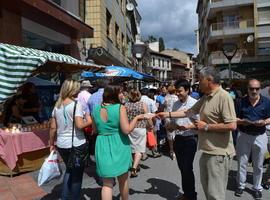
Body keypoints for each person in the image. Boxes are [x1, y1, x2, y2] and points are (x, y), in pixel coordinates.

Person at [158, 66, 237, 200]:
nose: (198, 83)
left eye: (200, 80)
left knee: (215, 195)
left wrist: (206, 126)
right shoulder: (206, 97)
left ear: (209, 80)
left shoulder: (223, 96)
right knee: (208, 191)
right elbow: (188, 112)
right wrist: (165, 113)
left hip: (219, 153)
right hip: (207, 151)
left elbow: (232, 125)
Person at [91, 85, 148, 200]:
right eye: (120, 93)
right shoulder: (119, 108)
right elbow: (126, 130)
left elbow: (95, 130)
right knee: (123, 180)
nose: (123, 95)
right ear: (114, 95)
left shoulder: (96, 109)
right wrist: (137, 118)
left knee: (107, 183)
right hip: (119, 143)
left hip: (102, 144)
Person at [49, 79, 92, 200]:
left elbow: (53, 127)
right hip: (76, 144)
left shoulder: (57, 105)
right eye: (77, 88)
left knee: (69, 169)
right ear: (72, 89)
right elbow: (79, 125)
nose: (79, 90)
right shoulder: (76, 104)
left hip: (62, 144)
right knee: (77, 175)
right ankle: (74, 197)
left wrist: (51, 143)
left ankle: (64, 197)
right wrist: (89, 120)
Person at [234, 79, 270, 199]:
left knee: (259, 164)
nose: (254, 91)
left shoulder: (266, 102)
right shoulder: (240, 102)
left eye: (257, 88)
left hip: (260, 135)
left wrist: (264, 121)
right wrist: (242, 121)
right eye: (251, 88)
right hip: (244, 135)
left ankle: (257, 187)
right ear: (247, 89)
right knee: (242, 163)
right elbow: (234, 118)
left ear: (260, 89)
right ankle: (240, 185)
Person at [165, 79, 198, 200]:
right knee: (182, 168)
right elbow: (173, 122)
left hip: (190, 139)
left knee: (187, 167)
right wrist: (170, 127)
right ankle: (187, 194)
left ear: (187, 90)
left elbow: (198, 124)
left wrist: (185, 127)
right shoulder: (175, 104)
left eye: (180, 91)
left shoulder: (195, 103)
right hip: (178, 138)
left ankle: (191, 195)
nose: (177, 93)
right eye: (176, 91)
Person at [125, 89, 151, 178]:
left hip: (130, 127)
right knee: (139, 149)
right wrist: (150, 126)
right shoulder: (142, 104)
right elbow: (148, 116)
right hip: (140, 128)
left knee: (132, 147)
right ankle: (134, 168)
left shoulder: (126, 105)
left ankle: (135, 164)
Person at [164, 85, 179, 160]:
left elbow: (164, 106)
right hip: (176, 116)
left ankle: (172, 151)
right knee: (177, 133)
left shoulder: (166, 98)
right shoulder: (177, 98)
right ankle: (176, 149)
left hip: (167, 117)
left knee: (169, 134)